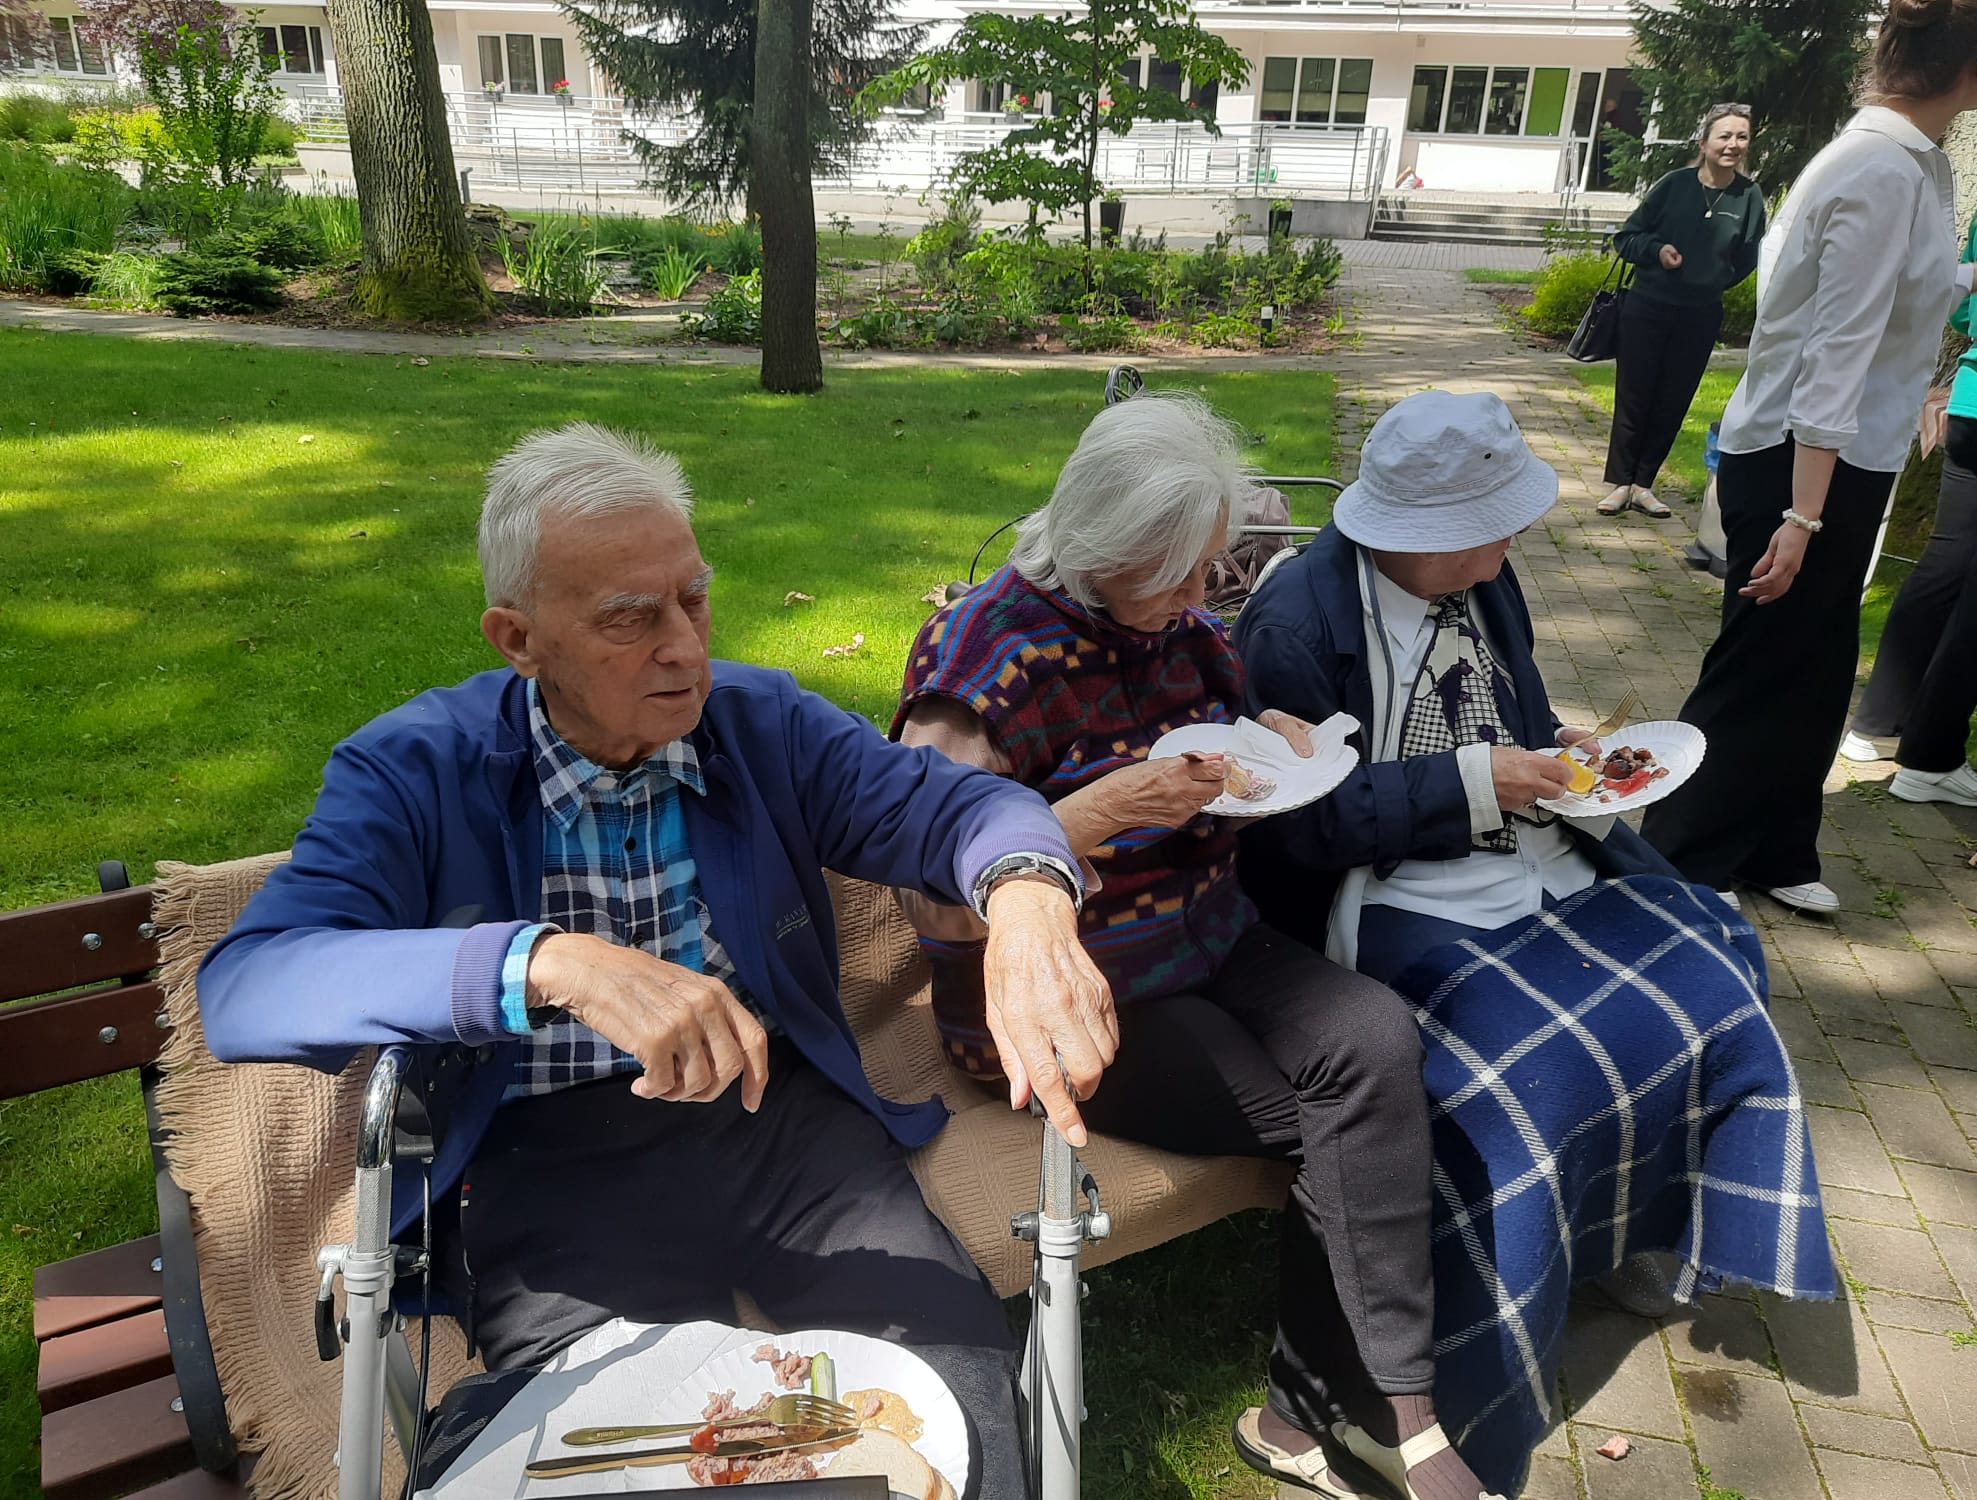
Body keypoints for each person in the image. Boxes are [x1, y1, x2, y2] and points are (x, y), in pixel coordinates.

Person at [197, 422, 1118, 1500]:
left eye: (694, 598)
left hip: (778, 1120)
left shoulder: (761, 724)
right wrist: (548, 963)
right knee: (614, 1454)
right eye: (630, 618)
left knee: (949, 1394)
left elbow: (960, 808)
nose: (684, 647)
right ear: (518, 638)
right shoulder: (411, 769)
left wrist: (1028, 899)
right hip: (545, 1161)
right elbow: (249, 983)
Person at [893, 392, 1495, 1500]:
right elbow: (930, 902)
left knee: (1372, 1036)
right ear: (1098, 548)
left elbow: (1217, 720)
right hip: (1072, 991)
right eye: (1177, 575)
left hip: (1208, 935)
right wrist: (1105, 809)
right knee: (1342, 1123)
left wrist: (1267, 739)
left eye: (1207, 569)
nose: (1202, 597)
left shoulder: (1176, 623)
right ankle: (1383, 1416)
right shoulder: (982, 661)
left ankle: (1326, 1414)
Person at [1235, 390, 1835, 1495]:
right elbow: (1306, 827)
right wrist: (1477, 778)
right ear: (1422, 533)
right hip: (1388, 891)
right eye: (1494, 528)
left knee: (1709, 966)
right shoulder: (1296, 625)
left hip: (1530, 847)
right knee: (1531, 1067)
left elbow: (1509, 705)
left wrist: (1553, 747)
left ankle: (1642, 1221)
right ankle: (1474, 1334)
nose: (1510, 547)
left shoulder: (1479, 576)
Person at [1642, 0, 1977, 912]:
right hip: (1802, 461)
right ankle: (1674, 864)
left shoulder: (1907, 160)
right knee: (1762, 666)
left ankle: (1773, 848)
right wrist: (1802, 516)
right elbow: (1836, 354)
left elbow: (1914, 287)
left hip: (1839, 457)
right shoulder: (1879, 168)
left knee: (1817, 662)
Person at [1842, 173, 1977, 808]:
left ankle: (1876, 721)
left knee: (1947, 563)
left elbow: (1959, 305)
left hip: (1973, 404)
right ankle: (1931, 757)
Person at [1599, 104, 1766, 520]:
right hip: (1647, 306)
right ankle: (1620, 484)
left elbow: (1748, 257)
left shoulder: (1749, 197)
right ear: (1704, 142)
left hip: (1699, 315)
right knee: (1634, 396)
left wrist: (1711, 280)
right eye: (1724, 136)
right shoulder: (1674, 185)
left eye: (1741, 137)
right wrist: (1657, 251)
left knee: (1673, 400)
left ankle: (1644, 485)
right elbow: (1627, 238)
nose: (1733, 145)